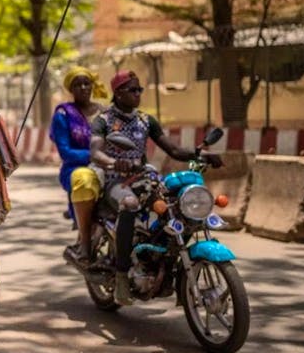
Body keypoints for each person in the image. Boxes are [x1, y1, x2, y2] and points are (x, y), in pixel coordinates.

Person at [81, 70, 221, 305]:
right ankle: (123, 275)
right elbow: (95, 153)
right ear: (118, 93)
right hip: (116, 180)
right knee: (130, 204)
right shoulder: (103, 120)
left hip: (145, 177)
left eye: (139, 90)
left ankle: (161, 256)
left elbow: (173, 150)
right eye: (132, 90)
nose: (138, 94)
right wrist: (115, 162)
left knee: (177, 200)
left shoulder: (146, 120)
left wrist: (201, 154)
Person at [50, 67, 107, 233]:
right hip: (75, 167)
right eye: (77, 85)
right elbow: (65, 152)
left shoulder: (104, 113)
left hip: (109, 165)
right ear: (71, 89)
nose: (83, 88)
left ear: (92, 86)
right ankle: (84, 243)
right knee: (83, 182)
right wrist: (95, 157)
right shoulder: (63, 114)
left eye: (86, 83)